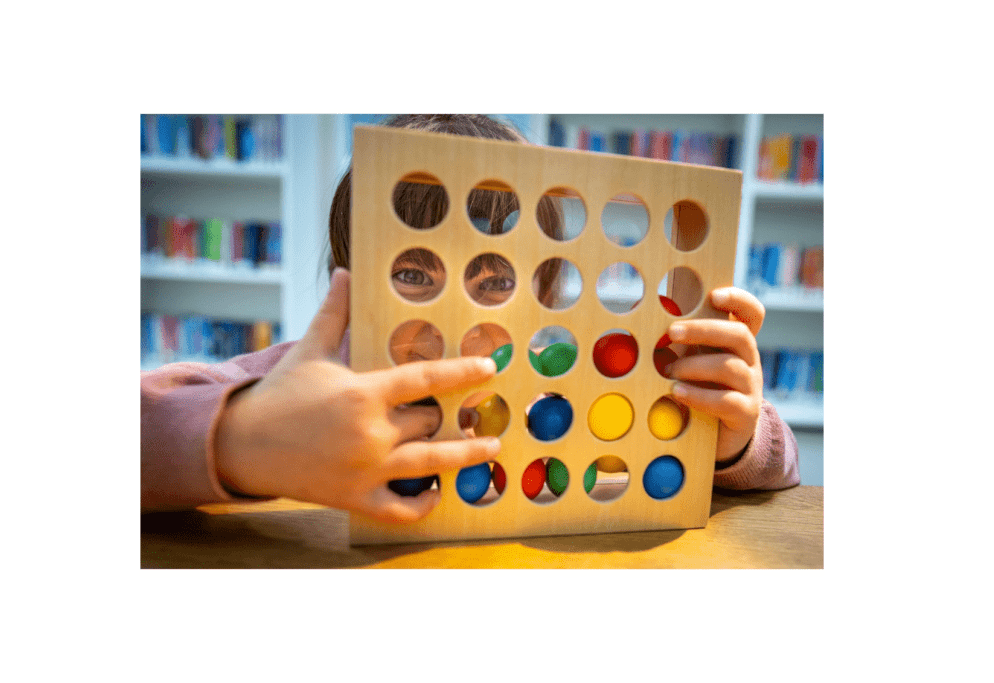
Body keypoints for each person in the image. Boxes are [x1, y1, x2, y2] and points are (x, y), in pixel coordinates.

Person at [141, 114, 799, 523]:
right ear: (352, 275)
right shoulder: (301, 381)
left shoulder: (560, 382)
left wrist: (732, 438)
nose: (450, 313)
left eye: (494, 280)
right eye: (413, 274)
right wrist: (244, 435)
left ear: (544, 292)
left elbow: (782, 469)